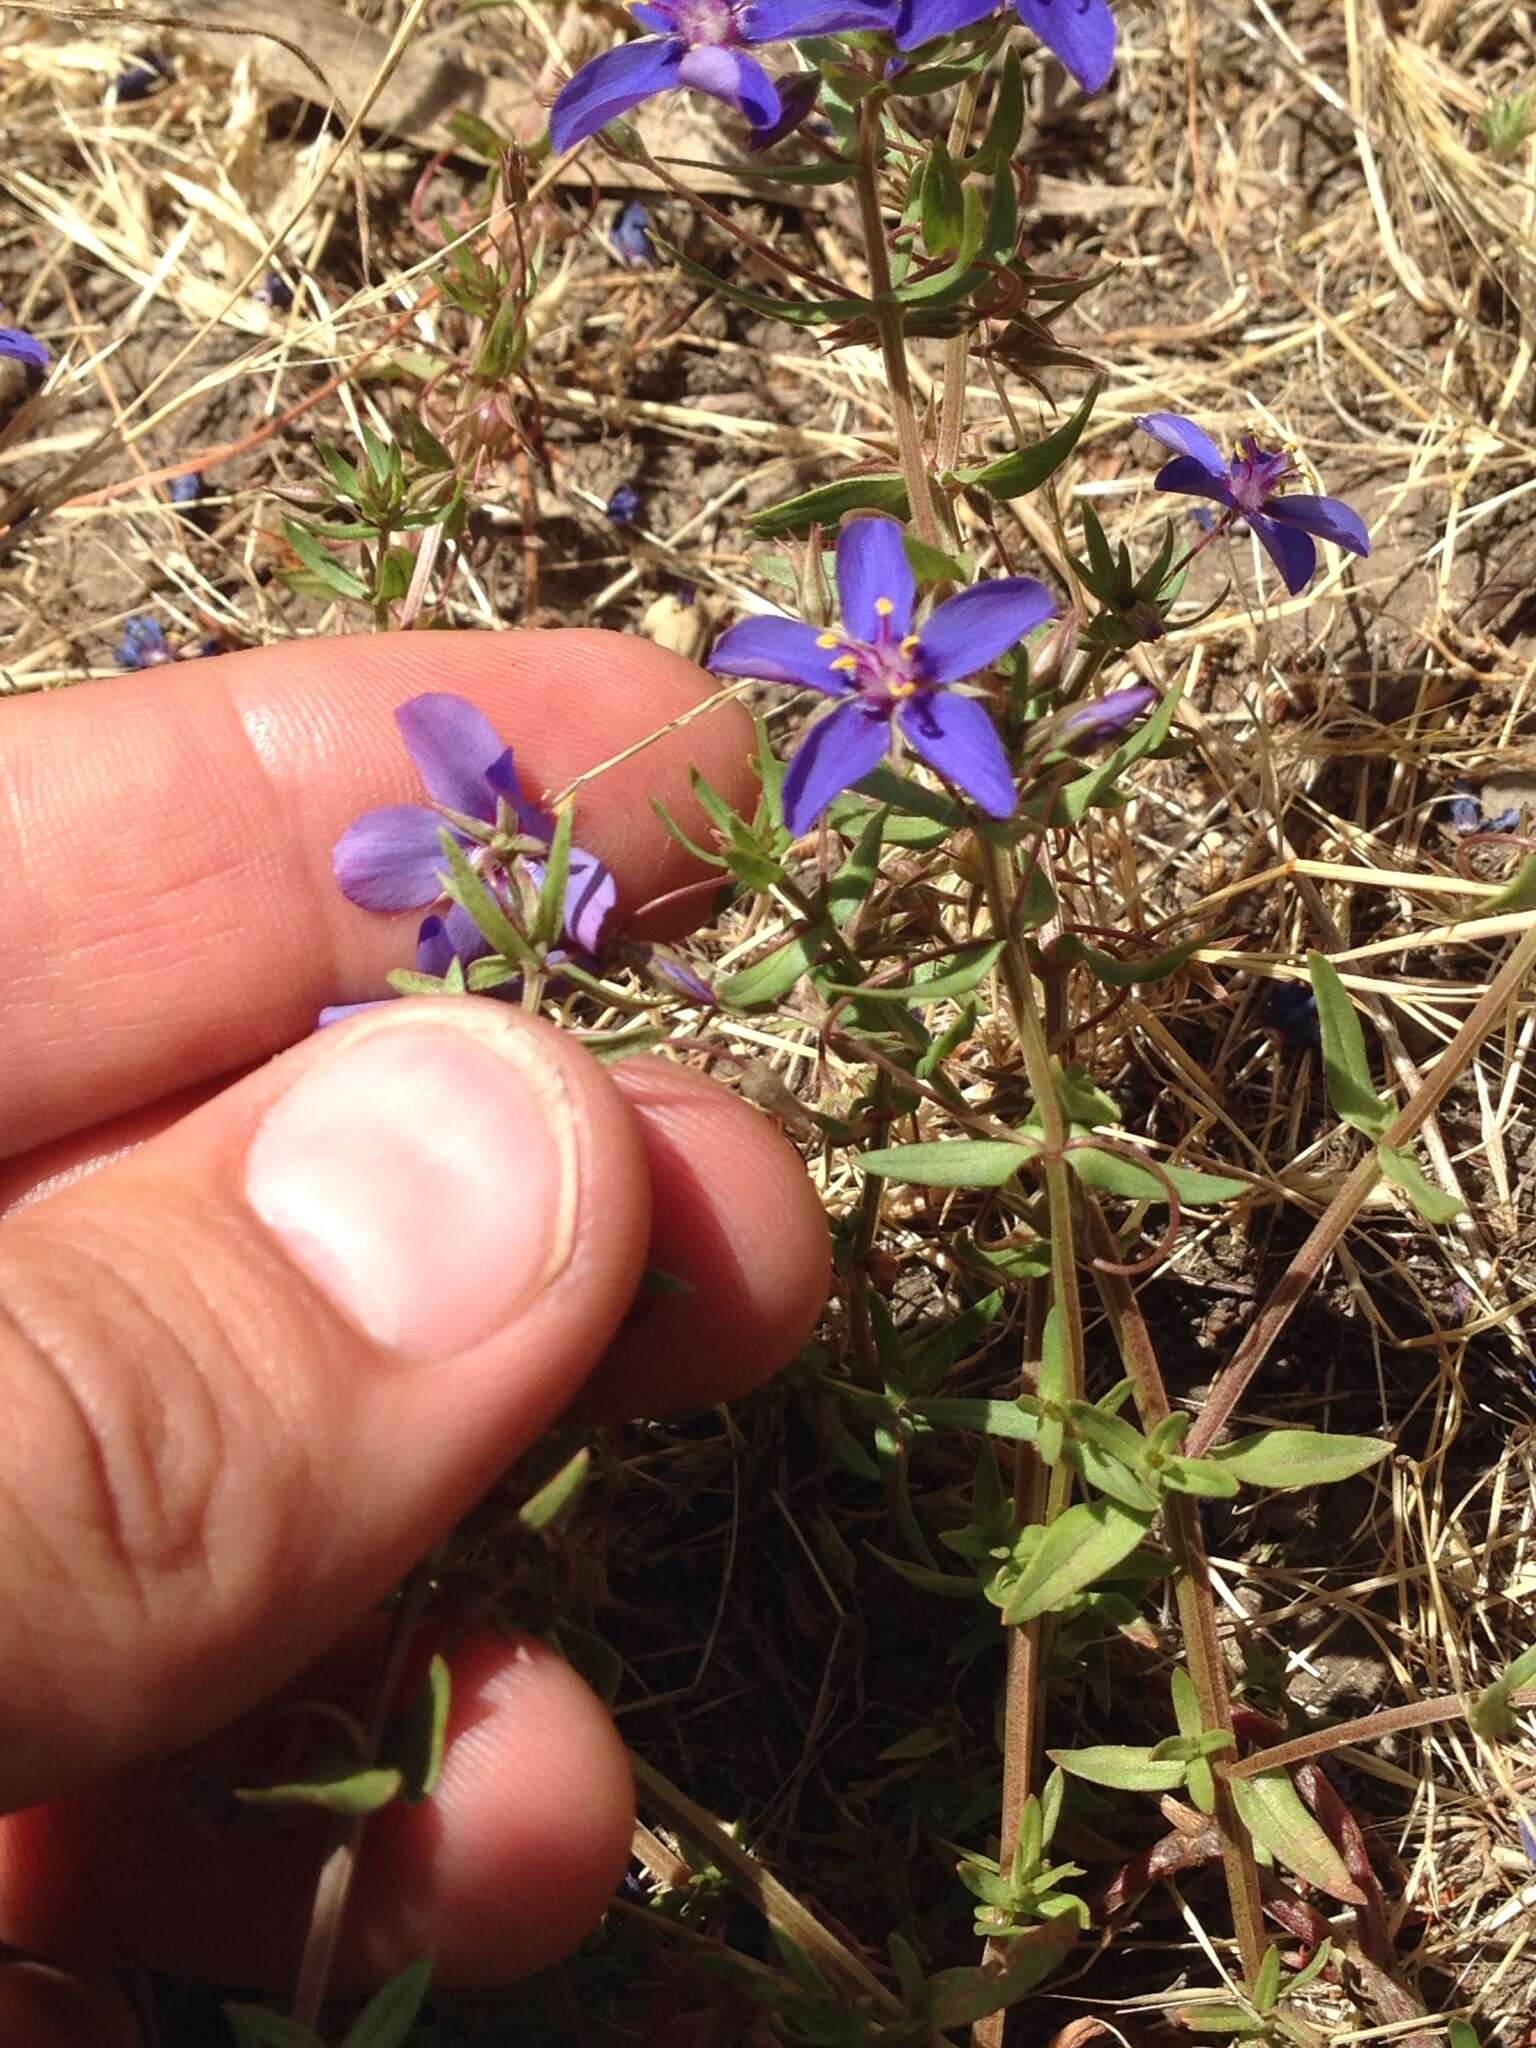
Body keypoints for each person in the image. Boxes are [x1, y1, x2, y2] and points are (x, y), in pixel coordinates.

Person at [0, 629, 831, 2044]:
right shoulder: (465, 913)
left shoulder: (549, 887)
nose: (487, 873)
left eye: (514, 852)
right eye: (483, 851)